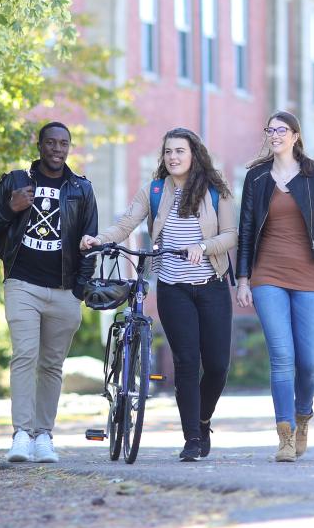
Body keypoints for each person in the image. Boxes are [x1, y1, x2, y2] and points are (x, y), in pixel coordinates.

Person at [81, 127, 236, 462]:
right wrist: (99, 238)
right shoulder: (154, 190)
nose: (173, 157)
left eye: (180, 151)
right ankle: (191, 439)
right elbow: (126, 224)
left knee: (218, 365)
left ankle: (203, 420)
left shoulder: (214, 189)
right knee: (186, 362)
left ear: (193, 154)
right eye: (168, 151)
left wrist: (203, 246)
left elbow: (230, 235)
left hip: (212, 286)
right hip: (173, 289)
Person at [0, 122, 98, 464]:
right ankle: (21, 435)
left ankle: (44, 435)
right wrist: (9, 208)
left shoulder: (81, 189)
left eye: (64, 144)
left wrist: (79, 290)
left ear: (69, 148)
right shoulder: (15, 181)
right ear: (40, 146)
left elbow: (90, 242)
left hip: (63, 288)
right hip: (22, 283)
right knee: (24, 356)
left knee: (52, 365)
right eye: (51, 143)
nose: (57, 149)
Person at [235, 110, 314, 463]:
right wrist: (243, 278)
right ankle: (284, 435)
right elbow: (247, 229)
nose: (275, 135)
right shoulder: (256, 177)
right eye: (270, 130)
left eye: (282, 130)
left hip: (308, 275)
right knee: (282, 357)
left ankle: (303, 416)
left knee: (309, 363)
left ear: (296, 135)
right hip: (267, 275)